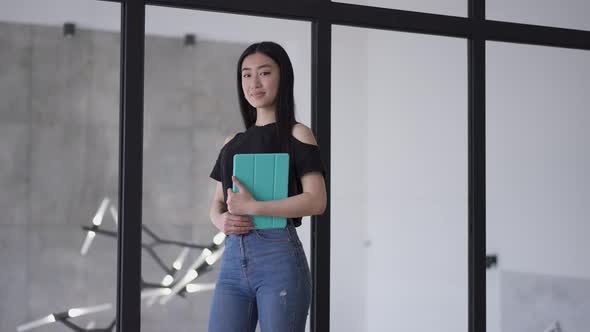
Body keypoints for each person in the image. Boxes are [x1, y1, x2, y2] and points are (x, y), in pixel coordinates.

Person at [207, 41, 327, 332]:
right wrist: (222, 220)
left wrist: (253, 207)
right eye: (246, 75)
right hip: (233, 261)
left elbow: (316, 200)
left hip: (279, 260)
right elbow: (217, 205)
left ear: (282, 77)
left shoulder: (298, 134)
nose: (254, 82)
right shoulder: (231, 143)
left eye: (264, 73)